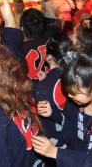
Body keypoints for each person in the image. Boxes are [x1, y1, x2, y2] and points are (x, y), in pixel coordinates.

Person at [32, 46, 92, 166]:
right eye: (68, 91)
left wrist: (56, 153)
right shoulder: (77, 101)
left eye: (76, 93)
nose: (70, 96)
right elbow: (69, 125)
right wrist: (53, 114)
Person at [33, 32, 72, 165]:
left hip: (54, 142)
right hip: (71, 141)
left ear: (49, 57)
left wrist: (41, 86)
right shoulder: (73, 75)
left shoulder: (45, 85)